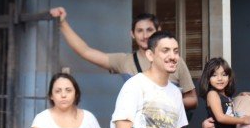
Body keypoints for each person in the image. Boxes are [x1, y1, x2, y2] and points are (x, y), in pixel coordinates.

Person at [49, 7, 197, 110]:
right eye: (139, 31)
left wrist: (164, 101)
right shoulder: (124, 61)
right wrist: (62, 23)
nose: (145, 35)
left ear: (158, 30)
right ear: (132, 34)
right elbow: (85, 51)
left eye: (149, 30)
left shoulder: (174, 60)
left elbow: (193, 100)